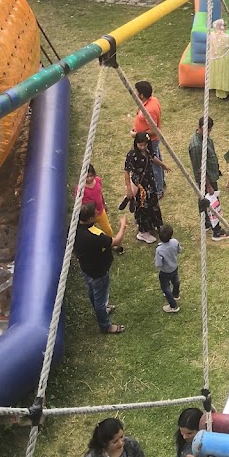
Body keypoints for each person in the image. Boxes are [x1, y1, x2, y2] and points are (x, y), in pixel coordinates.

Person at [73, 202, 128, 334]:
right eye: (95, 213)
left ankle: (101, 310)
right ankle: (105, 326)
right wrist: (122, 226)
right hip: (98, 271)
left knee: (92, 292)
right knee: (100, 299)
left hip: (86, 268)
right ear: (90, 219)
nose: (98, 212)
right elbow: (116, 241)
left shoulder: (74, 228)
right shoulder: (95, 236)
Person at [123, 132, 168, 244]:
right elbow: (127, 172)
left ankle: (154, 224)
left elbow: (152, 157)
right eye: (140, 145)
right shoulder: (132, 155)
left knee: (153, 203)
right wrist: (129, 189)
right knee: (142, 207)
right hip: (140, 186)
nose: (143, 147)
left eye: (144, 144)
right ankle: (143, 232)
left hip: (150, 183)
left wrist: (162, 165)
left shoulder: (148, 150)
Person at [131, 80, 165, 198]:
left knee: (154, 165)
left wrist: (137, 135)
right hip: (149, 139)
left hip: (151, 141)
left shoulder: (150, 109)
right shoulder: (151, 100)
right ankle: (162, 183)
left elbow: (154, 130)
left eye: (137, 92)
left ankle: (159, 190)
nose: (135, 93)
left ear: (141, 95)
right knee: (157, 159)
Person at [188, 116, 220, 193]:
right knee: (208, 200)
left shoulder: (204, 137)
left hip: (211, 177)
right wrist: (208, 186)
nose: (209, 133)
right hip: (206, 182)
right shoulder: (196, 146)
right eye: (208, 131)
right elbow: (199, 169)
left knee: (216, 200)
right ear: (202, 128)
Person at [78, 164, 112, 236]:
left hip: (100, 211)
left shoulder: (98, 180)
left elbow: (100, 193)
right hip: (89, 216)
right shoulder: (80, 189)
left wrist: (104, 203)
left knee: (108, 230)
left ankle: (110, 241)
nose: (89, 178)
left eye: (91, 176)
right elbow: (79, 204)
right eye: (87, 177)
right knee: (90, 233)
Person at [155, 224, 182, 313]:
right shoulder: (175, 242)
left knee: (165, 287)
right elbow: (179, 250)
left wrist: (159, 266)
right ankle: (176, 294)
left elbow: (159, 263)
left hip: (165, 271)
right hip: (174, 267)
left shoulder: (159, 249)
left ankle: (173, 306)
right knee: (176, 280)